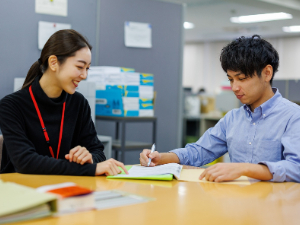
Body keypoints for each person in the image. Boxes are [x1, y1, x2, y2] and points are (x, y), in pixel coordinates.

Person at [140, 35, 300, 183]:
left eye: (242, 78)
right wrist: (161, 158)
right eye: (231, 79)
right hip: (237, 202)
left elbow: (296, 168)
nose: (234, 87)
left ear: (267, 73)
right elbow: (199, 151)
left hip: (276, 207)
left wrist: (245, 169)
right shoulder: (232, 119)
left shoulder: (293, 116)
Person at [0, 29, 128, 176]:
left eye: (87, 68)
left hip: (66, 188)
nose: (84, 75)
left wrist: (89, 158)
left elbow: (98, 152)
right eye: (80, 67)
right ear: (54, 63)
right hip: (22, 191)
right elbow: (26, 162)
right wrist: (89, 169)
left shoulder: (79, 103)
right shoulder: (11, 106)